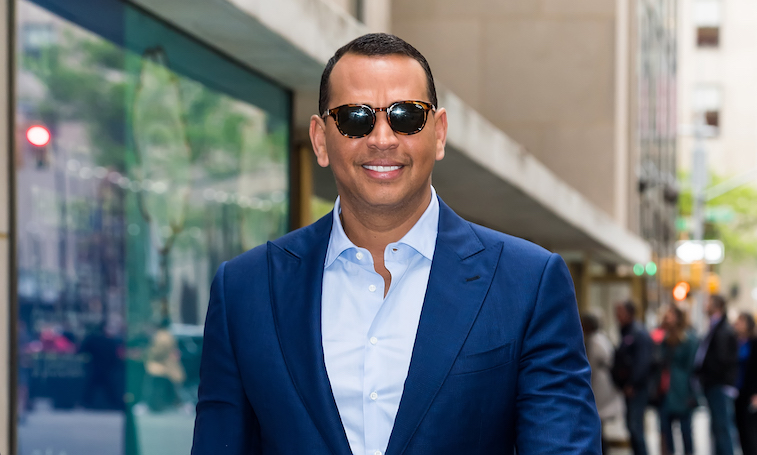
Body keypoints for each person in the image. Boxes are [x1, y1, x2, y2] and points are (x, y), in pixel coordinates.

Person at [191, 33, 601, 454]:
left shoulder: (528, 283)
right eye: (355, 118)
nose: (382, 138)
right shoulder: (244, 290)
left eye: (407, 115)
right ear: (320, 139)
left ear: (439, 133)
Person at [694, 294, 739, 455]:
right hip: (713, 384)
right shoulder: (715, 327)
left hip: (719, 384)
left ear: (717, 306)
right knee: (717, 428)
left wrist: (707, 373)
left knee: (722, 427)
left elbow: (722, 359)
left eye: (708, 303)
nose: (705, 305)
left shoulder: (723, 330)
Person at [612, 300, 653, 455]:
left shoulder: (638, 333)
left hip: (637, 389)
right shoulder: (625, 332)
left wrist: (632, 384)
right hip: (628, 388)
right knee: (631, 426)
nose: (617, 315)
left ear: (629, 313)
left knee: (636, 427)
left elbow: (642, 362)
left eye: (620, 312)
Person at [657, 305, 698, 455]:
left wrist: (692, 393)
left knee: (685, 430)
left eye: (670, 315)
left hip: (683, 390)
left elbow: (693, 368)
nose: (667, 318)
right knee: (665, 430)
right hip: (666, 389)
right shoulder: (664, 339)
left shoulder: (689, 340)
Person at [582, 313, 624, 454]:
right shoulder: (601, 337)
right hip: (603, 381)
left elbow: (591, 365)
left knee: (598, 418)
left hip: (600, 382)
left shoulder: (594, 340)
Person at [734, 312, 757, 455]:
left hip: (751, 392)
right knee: (740, 430)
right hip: (737, 390)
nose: (737, 324)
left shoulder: (754, 343)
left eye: (741, 321)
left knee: (751, 432)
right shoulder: (735, 342)